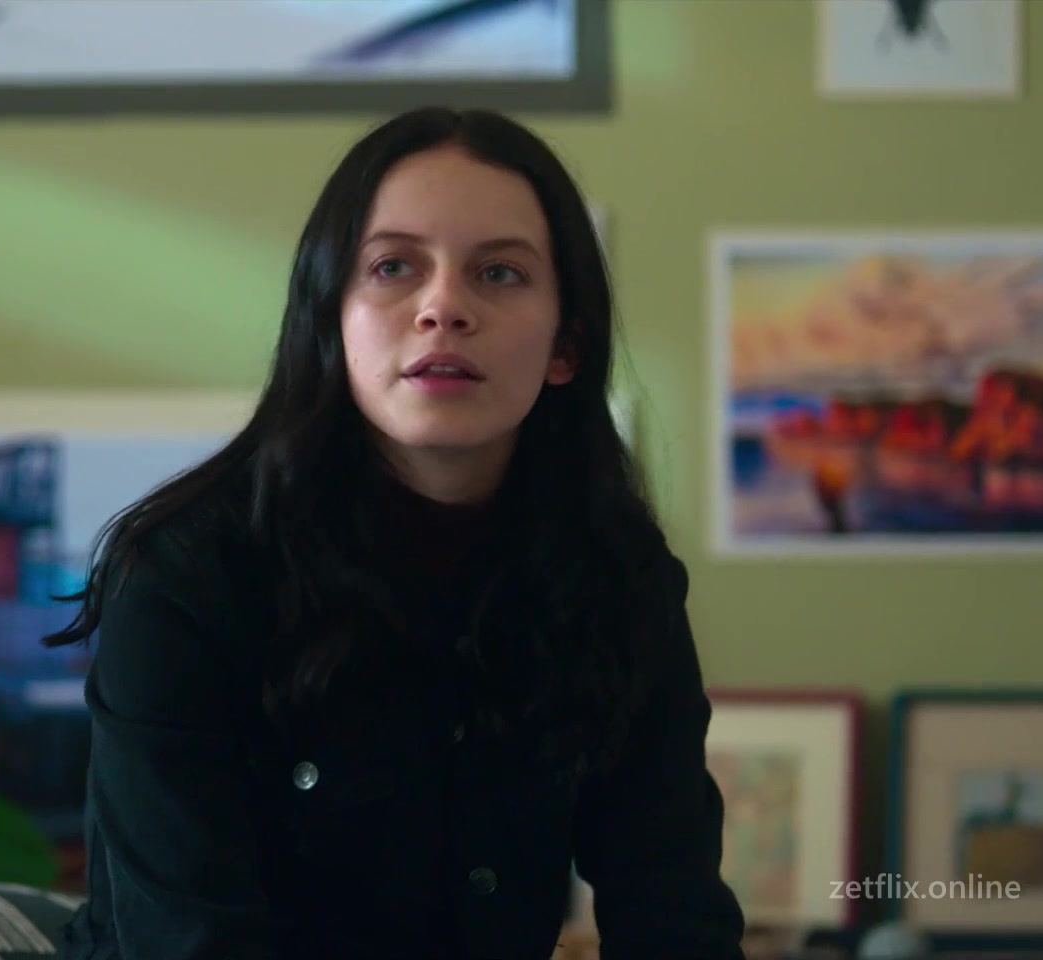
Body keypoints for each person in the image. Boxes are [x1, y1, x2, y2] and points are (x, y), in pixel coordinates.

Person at [42, 106, 747, 959]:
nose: (443, 306)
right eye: (392, 267)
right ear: (329, 321)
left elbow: (673, 908)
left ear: (565, 344)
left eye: (499, 272)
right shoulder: (187, 575)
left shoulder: (617, 576)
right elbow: (190, 942)